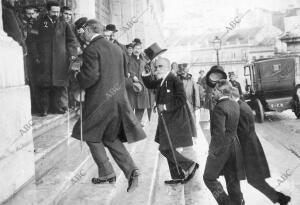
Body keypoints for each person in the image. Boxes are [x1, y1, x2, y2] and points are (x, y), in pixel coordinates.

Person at [71, 19, 147, 192]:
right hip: (118, 101)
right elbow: (123, 74)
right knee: (109, 137)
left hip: (99, 102)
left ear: (91, 30)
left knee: (89, 134)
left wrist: (77, 77)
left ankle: (107, 173)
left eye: (85, 31)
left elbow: (91, 76)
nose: (84, 34)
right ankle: (131, 170)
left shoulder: (91, 49)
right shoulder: (117, 49)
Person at [142, 57, 199, 185]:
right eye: (156, 67)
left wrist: (165, 106)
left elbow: (182, 99)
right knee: (167, 147)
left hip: (175, 120)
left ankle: (190, 166)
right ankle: (177, 176)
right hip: (166, 119)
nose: (157, 69)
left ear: (168, 67)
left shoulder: (174, 80)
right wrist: (145, 73)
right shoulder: (162, 79)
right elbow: (150, 84)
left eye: (160, 66)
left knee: (165, 148)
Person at [231, 87, 291, 205]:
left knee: (254, 180)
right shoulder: (242, 105)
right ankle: (280, 198)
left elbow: (242, 132)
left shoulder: (239, 108)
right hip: (251, 147)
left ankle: (280, 198)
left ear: (231, 97)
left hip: (249, 150)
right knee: (255, 180)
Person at [203, 79, 245, 205]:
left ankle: (226, 203)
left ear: (221, 92)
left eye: (215, 90)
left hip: (222, 148)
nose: (213, 93)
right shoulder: (235, 104)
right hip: (235, 146)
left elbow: (218, 134)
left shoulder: (219, 108)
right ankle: (239, 202)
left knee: (209, 177)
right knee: (232, 178)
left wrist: (212, 151)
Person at [35, 1, 77, 116]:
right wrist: (36, 55)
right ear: (48, 11)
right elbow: (33, 40)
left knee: (60, 85)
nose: (56, 14)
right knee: (45, 85)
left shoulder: (64, 24)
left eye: (58, 12)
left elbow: (72, 40)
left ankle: (60, 107)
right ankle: (44, 109)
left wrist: (73, 54)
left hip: (60, 60)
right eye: (53, 11)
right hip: (45, 60)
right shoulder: (40, 22)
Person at [127, 41, 151, 126]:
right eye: (135, 48)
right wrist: (133, 76)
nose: (137, 50)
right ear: (132, 49)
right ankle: (131, 122)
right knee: (131, 105)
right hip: (132, 84)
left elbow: (147, 70)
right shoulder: (129, 58)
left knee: (142, 104)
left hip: (143, 84)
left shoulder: (143, 59)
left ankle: (137, 122)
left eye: (139, 48)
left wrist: (148, 71)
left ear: (141, 50)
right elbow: (127, 68)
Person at [21, 5, 39, 113]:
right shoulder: (22, 25)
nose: (31, 16)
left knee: (36, 81)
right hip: (26, 57)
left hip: (36, 57)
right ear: (24, 14)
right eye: (28, 14)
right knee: (28, 80)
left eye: (32, 13)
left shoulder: (38, 25)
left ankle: (36, 107)